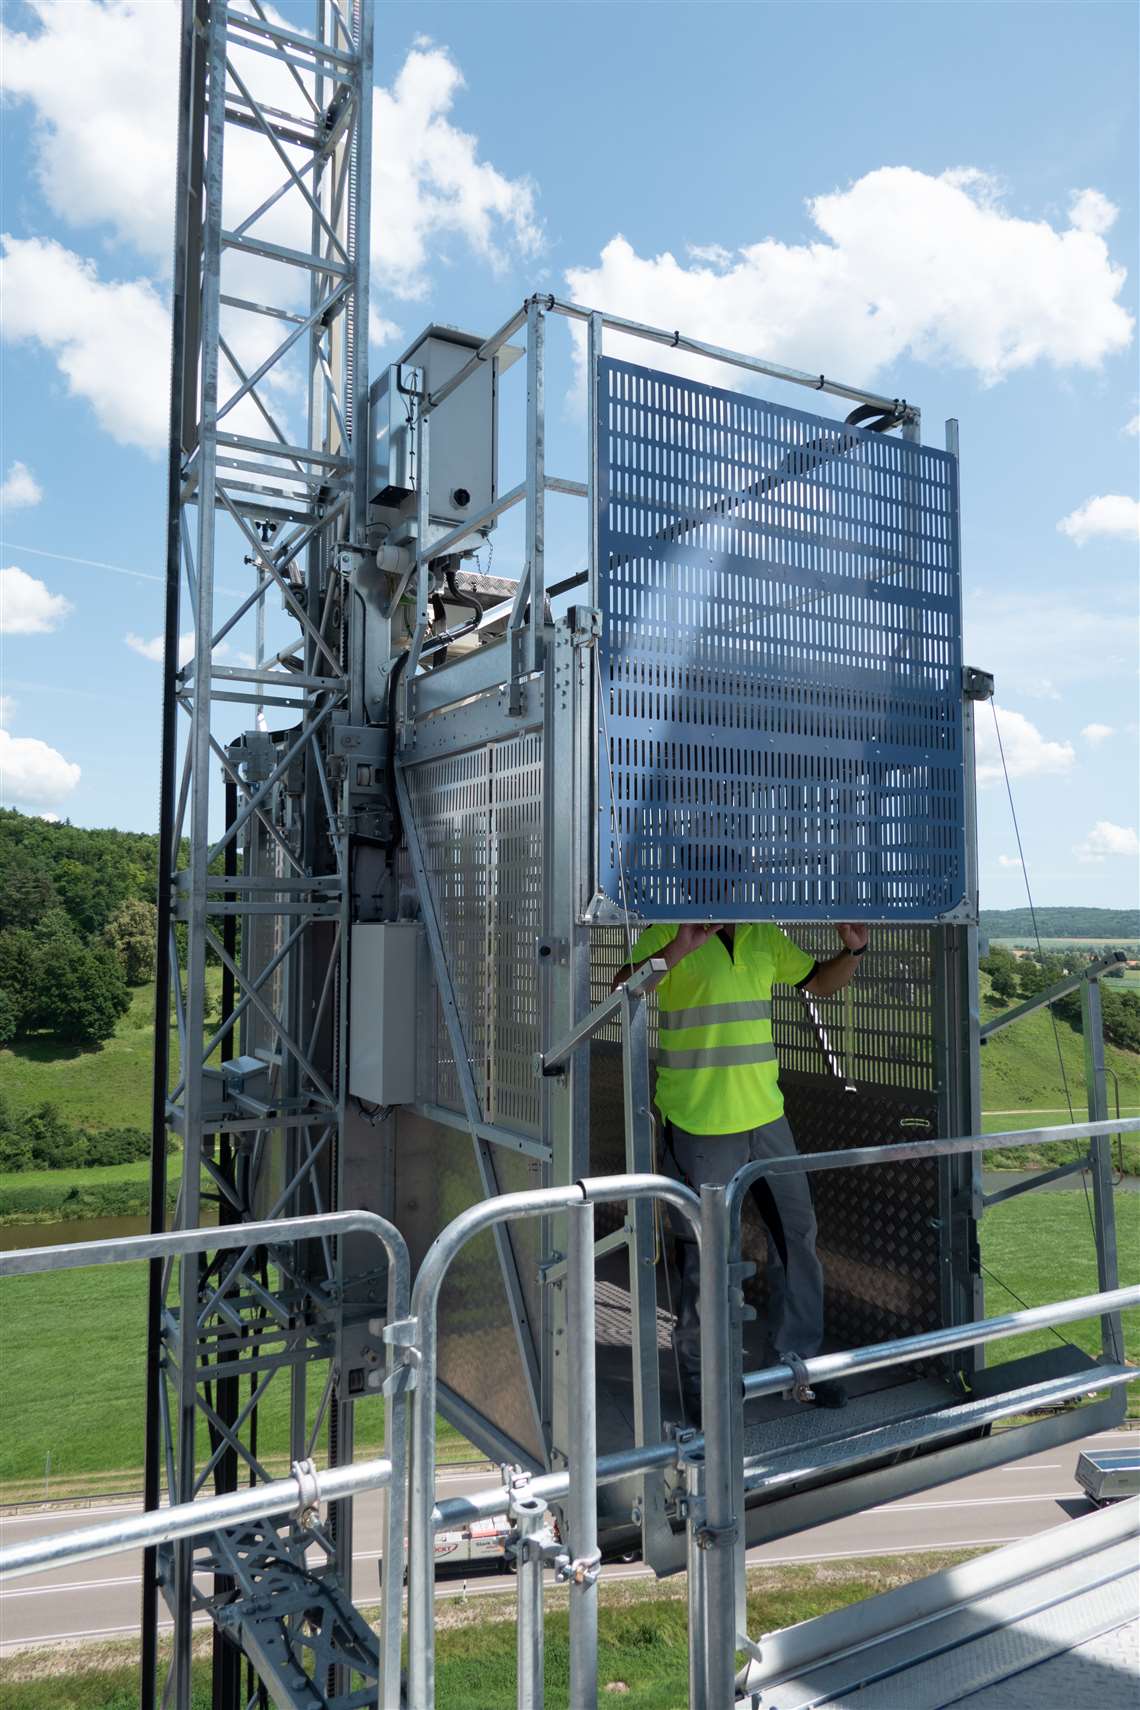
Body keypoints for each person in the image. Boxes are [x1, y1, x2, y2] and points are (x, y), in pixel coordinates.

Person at [612, 920, 868, 1416]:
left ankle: (799, 1369)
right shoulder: (667, 931)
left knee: (797, 1238)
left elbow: (817, 982)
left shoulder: (763, 935)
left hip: (767, 1118)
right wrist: (678, 949)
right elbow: (623, 990)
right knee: (706, 1260)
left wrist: (855, 953)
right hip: (698, 1121)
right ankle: (703, 1391)